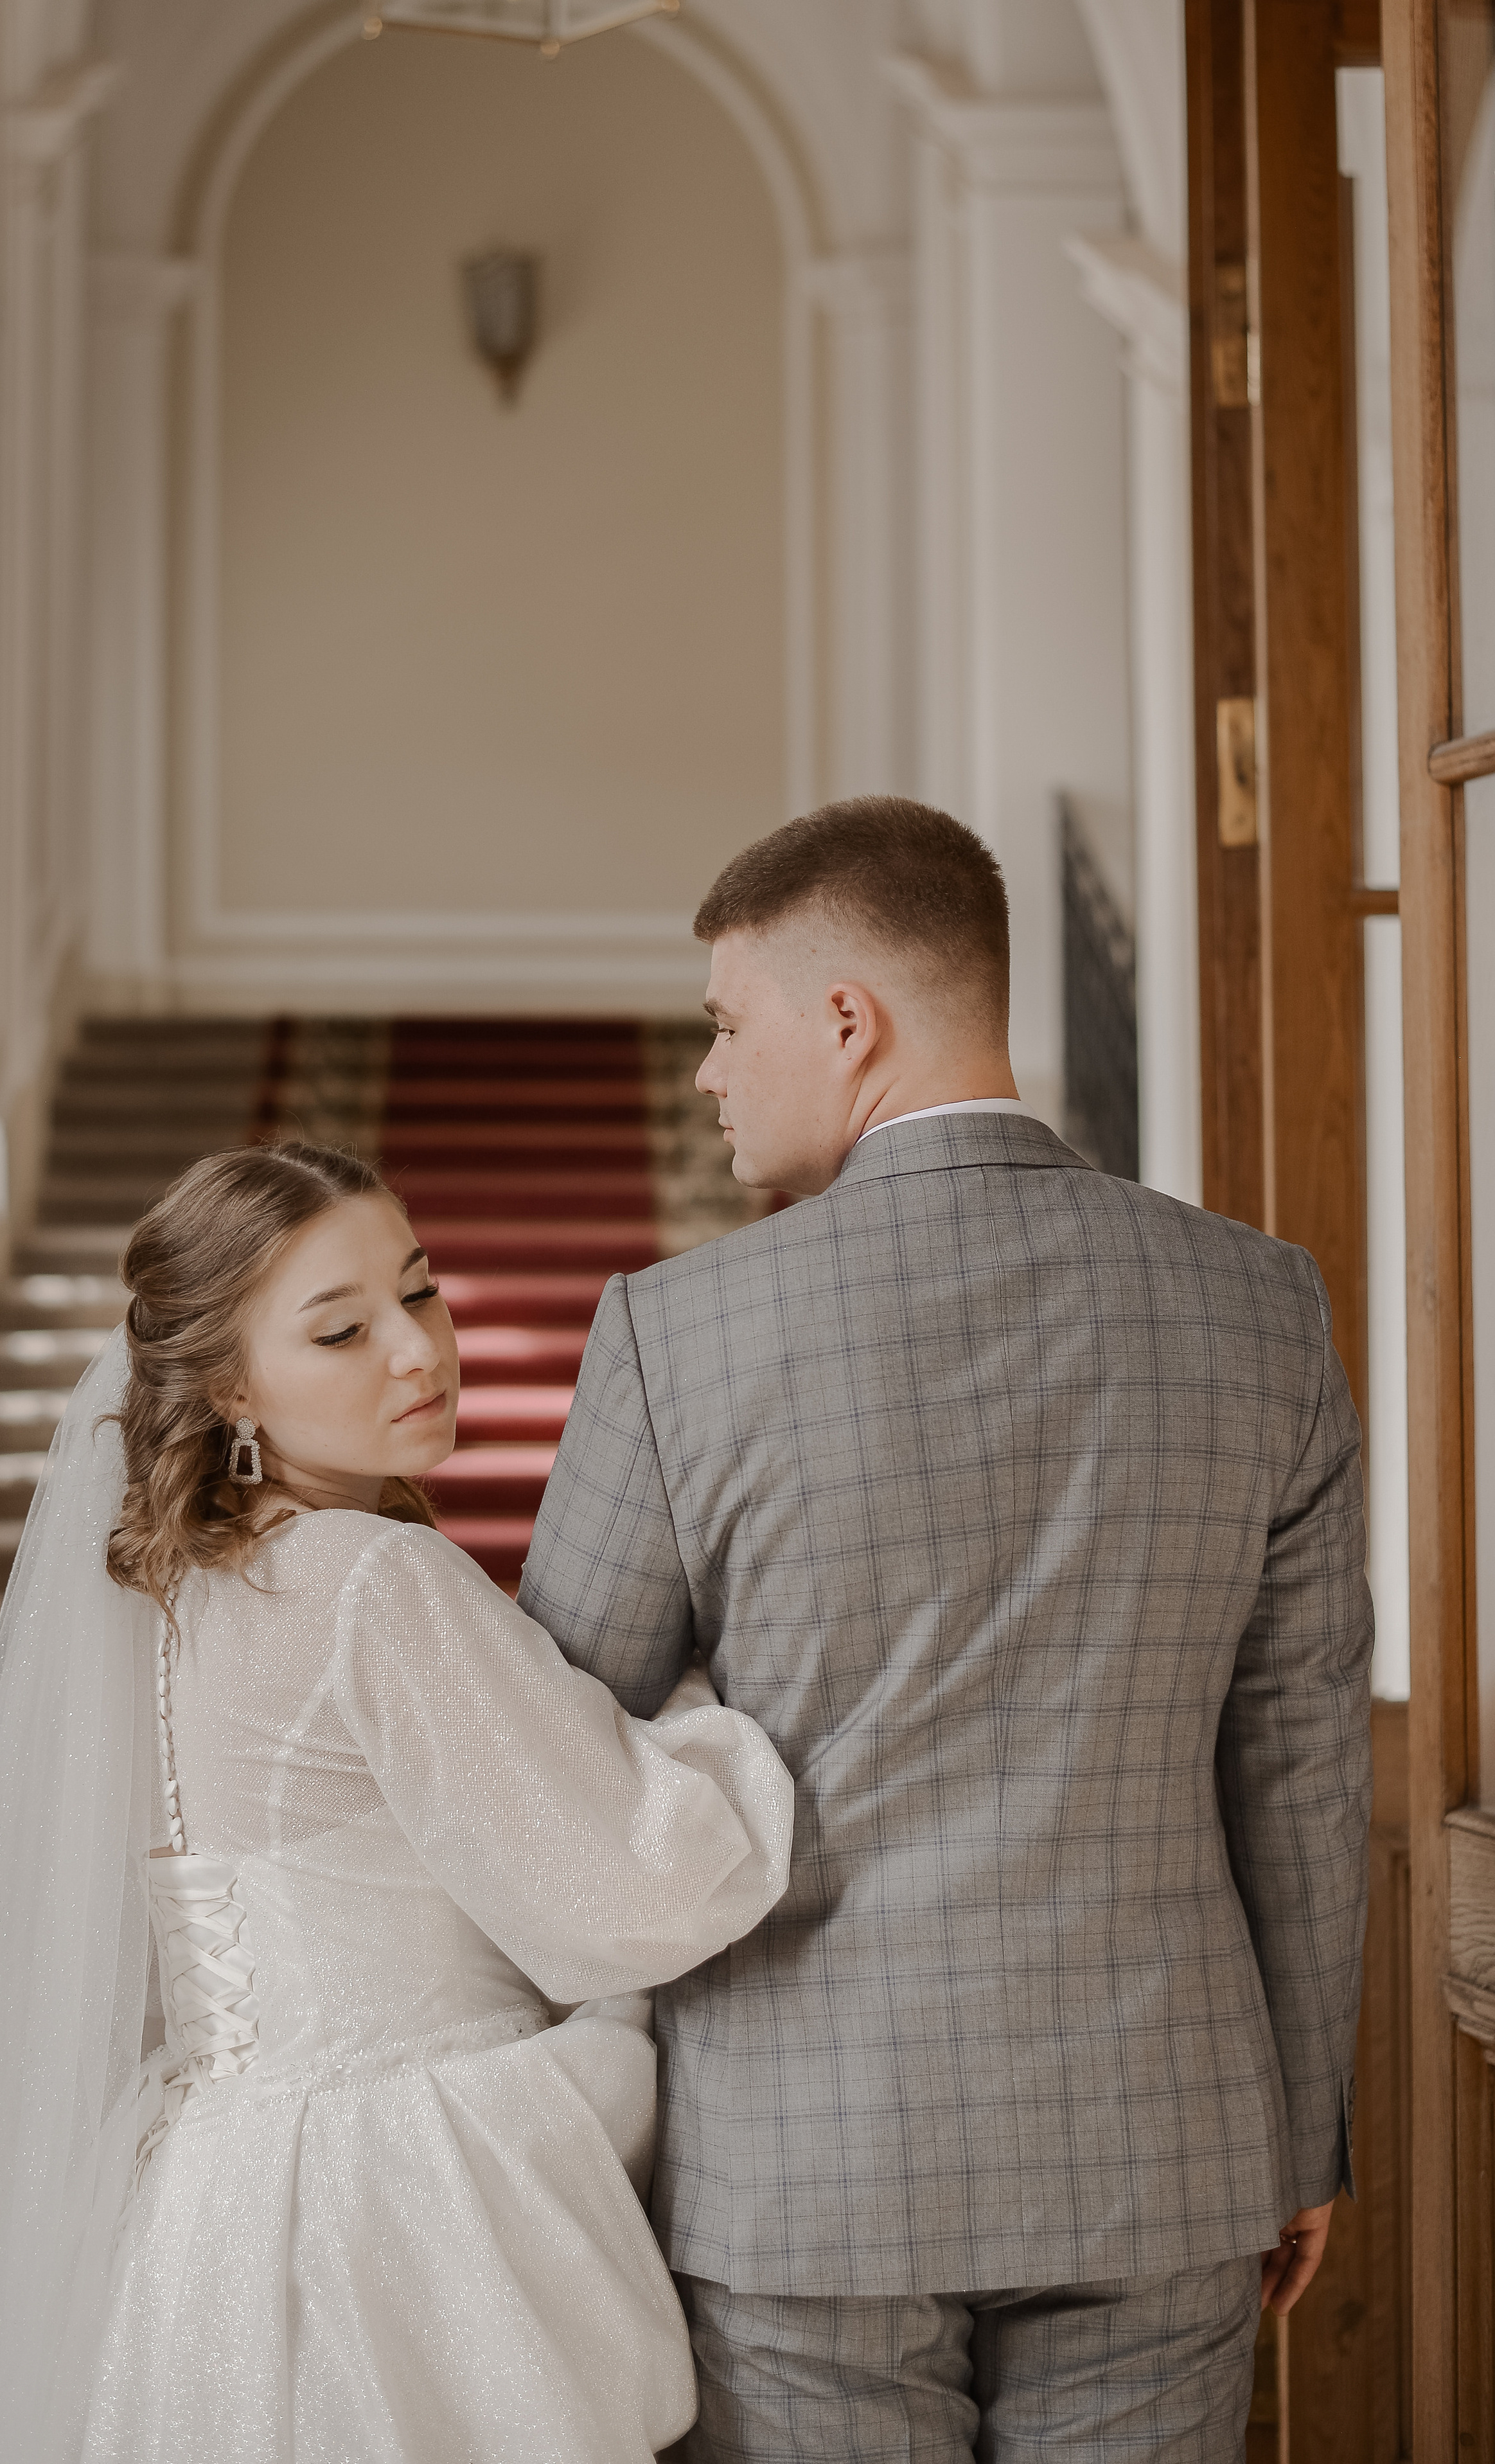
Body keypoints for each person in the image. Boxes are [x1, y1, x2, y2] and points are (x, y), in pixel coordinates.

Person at [520, 794, 1374, 2462]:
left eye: (723, 1023)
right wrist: (1297, 2138)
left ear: (849, 1022)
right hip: (1166, 2141)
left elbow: (553, 1762)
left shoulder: (675, 1334)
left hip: (800, 2168)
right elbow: (1301, 1762)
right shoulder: (1260, 1302)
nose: (707, 1074)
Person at [0, 1141, 793, 2464]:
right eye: (342, 1331)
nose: (416, 1351)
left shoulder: (168, 1602)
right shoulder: (368, 1581)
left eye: (418, 1292)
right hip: (396, 2222)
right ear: (232, 1384)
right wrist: (713, 1708)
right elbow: (636, 1888)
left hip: (207, 2222)